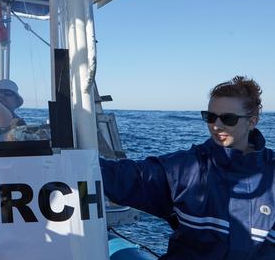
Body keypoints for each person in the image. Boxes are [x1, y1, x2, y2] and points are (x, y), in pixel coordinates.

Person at [100, 76, 275, 259]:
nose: (216, 125)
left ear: (252, 121)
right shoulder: (187, 168)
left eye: (228, 119)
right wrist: (81, 164)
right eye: (210, 117)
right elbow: (128, 177)